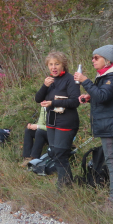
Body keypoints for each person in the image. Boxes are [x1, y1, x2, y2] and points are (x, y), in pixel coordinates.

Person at [74, 45, 113, 212]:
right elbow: (102, 96)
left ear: (107, 60)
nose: (93, 60)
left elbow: (104, 96)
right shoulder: (106, 76)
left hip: (111, 125)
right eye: (92, 57)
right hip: (109, 124)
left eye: (96, 57)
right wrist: (90, 97)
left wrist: (85, 81)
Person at [34, 51, 80, 188]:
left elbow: (75, 102)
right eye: (51, 64)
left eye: (57, 64)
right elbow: (38, 99)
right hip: (52, 121)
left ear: (63, 65)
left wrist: (53, 103)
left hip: (66, 121)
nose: (54, 67)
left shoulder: (70, 80)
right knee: (54, 153)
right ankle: (66, 183)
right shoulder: (50, 81)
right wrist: (45, 86)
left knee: (60, 153)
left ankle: (64, 185)